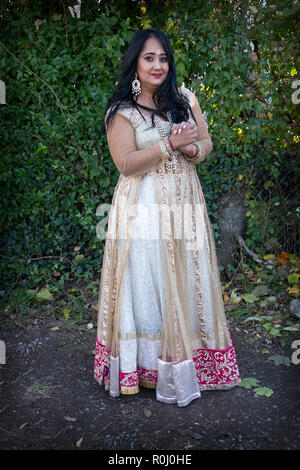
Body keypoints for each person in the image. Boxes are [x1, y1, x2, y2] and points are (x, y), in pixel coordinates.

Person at [94, 28, 241, 407]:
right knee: (149, 281)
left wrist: (192, 148)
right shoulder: (121, 112)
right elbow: (125, 164)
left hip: (185, 206)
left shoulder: (184, 99)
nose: (158, 65)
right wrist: (168, 144)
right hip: (141, 211)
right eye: (149, 58)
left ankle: (185, 362)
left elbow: (205, 143)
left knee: (185, 276)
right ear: (135, 65)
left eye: (163, 58)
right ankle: (144, 366)